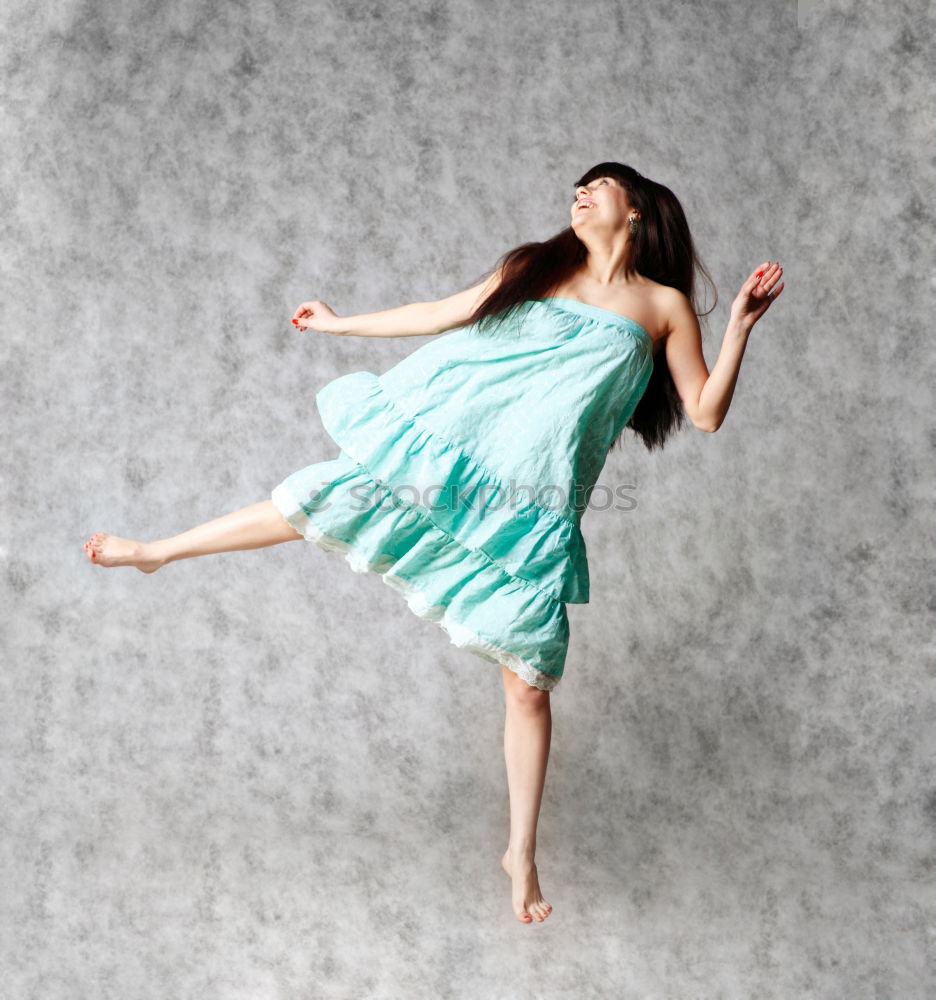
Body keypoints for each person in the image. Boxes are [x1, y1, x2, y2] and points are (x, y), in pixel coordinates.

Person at [82, 161, 784, 924]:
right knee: (318, 498)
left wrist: (740, 325)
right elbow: (439, 313)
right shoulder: (534, 268)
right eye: (576, 187)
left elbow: (705, 413)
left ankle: (521, 851)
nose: (579, 194)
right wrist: (339, 322)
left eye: (599, 185)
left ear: (637, 211)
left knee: (528, 681)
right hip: (457, 449)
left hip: (535, 499)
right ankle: (157, 550)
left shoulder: (662, 306)